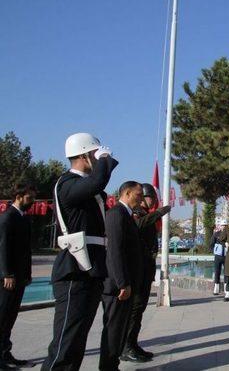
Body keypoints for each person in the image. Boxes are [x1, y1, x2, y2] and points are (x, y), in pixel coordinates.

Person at [42, 133, 118, 371]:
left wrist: (102, 161)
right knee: (66, 343)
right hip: (75, 271)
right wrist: (104, 158)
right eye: (94, 155)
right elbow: (97, 182)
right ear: (86, 155)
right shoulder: (67, 184)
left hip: (91, 269)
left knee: (78, 341)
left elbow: (97, 187)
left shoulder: (86, 188)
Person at [121, 183, 170, 363]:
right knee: (134, 309)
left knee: (139, 309)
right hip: (137, 268)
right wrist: (159, 213)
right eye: (152, 198)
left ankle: (133, 343)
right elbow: (140, 225)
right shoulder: (136, 213)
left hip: (146, 266)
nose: (154, 202)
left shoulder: (145, 214)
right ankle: (126, 346)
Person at [99, 181, 143, 370]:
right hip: (117, 285)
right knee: (114, 328)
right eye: (138, 195)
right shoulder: (116, 214)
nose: (141, 200)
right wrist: (123, 283)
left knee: (119, 328)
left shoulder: (126, 215)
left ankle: (112, 364)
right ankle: (108, 366)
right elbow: (115, 251)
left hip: (125, 282)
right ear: (126, 193)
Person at [0, 184, 35, 369]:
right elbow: (3, 248)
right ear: (19, 197)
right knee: (3, 315)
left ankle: (5, 352)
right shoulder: (8, 218)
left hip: (19, 277)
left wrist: (27, 274)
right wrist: (7, 274)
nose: (32, 202)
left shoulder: (23, 219)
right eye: (29, 198)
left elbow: (25, 251)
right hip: (8, 278)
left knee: (10, 316)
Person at [210, 221, 227, 296]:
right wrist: (215, 251)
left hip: (226, 256)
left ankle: (227, 289)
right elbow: (211, 244)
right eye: (222, 225)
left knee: (227, 272)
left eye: (225, 225)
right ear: (220, 226)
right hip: (218, 256)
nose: (223, 227)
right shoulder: (216, 234)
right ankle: (216, 288)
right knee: (217, 271)